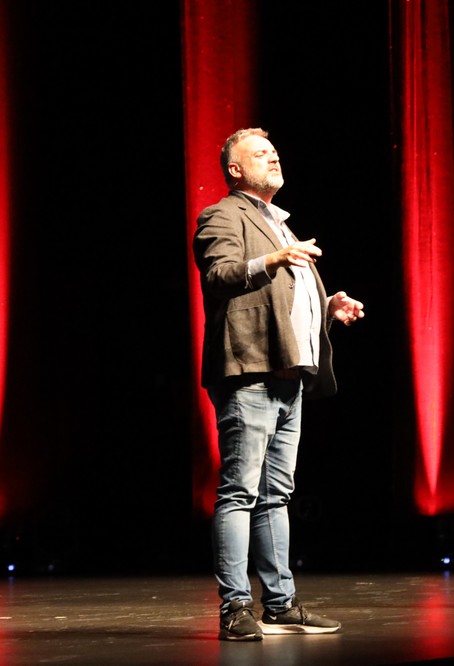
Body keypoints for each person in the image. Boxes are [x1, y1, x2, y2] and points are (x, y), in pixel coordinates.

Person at [192, 128, 364, 641]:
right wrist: (272, 259)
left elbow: (285, 307)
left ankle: (280, 602)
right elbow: (219, 276)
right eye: (260, 153)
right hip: (250, 373)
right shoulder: (223, 215)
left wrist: (327, 309)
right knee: (240, 492)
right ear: (235, 170)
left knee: (276, 496)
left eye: (275, 151)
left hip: (290, 379)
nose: (273, 156)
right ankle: (235, 606)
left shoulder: (281, 224)